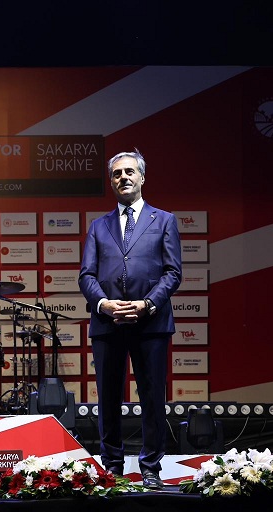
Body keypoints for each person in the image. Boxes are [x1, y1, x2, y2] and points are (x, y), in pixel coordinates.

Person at [78, 149, 182, 489]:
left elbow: (173, 272)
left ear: (142, 178)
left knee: (152, 397)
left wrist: (147, 304)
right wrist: (103, 304)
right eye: (117, 173)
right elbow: (86, 275)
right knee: (108, 399)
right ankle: (112, 468)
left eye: (129, 171)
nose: (123, 177)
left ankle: (150, 467)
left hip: (150, 322)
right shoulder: (98, 226)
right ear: (111, 182)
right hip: (107, 323)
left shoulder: (164, 220)